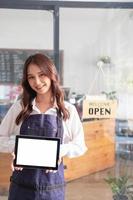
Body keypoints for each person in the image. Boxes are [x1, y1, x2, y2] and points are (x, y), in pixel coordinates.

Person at [0, 53, 87, 200]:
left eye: (42, 75)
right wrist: (18, 147)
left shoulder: (67, 110)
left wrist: (59, 150)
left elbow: (80, 146)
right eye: (31, 77)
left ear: (51, 74)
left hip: (52, 189)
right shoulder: (20, 108)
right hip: (21, 188)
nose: (37, 82)